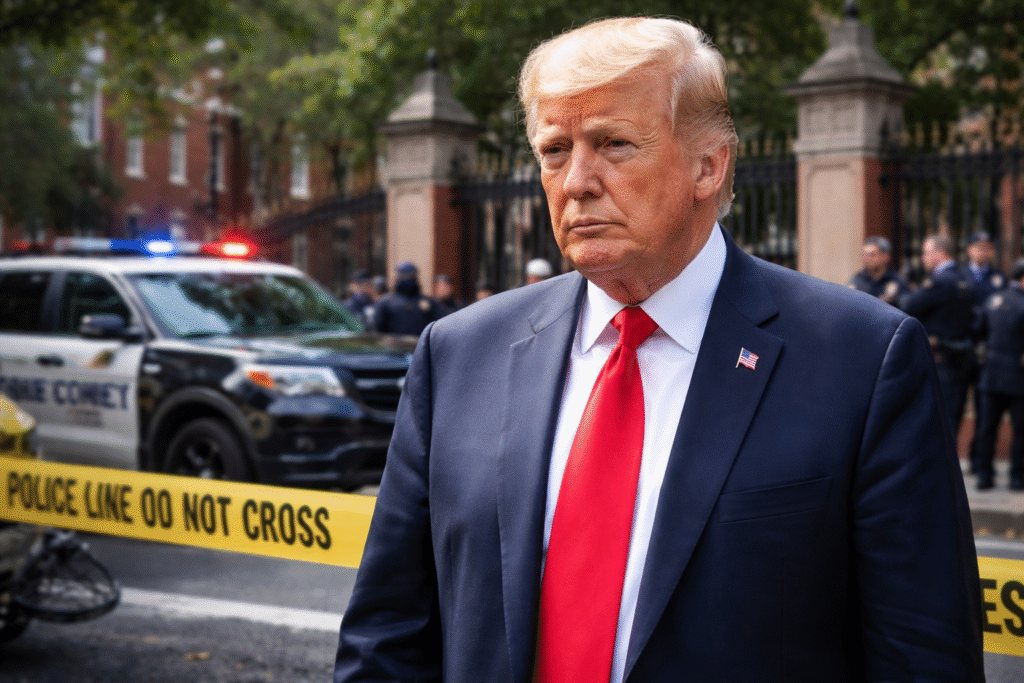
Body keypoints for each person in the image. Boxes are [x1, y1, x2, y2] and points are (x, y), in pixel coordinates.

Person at [335, 17, 983, 683]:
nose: (576, 180)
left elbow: (923, 657)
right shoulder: (458, 355)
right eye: (554, 150)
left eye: (613, 144)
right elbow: (387, 638)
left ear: (708, 165)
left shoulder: (862, 359)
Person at [898, 234, 977, 441]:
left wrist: (901, 291)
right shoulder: (964, 278)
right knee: (952, 413)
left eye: (926, 252)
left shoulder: (941, 281)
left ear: (940, 254)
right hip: (959, 355)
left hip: (939, 357)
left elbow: (908, 304)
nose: (923, 258)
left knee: (936, 417)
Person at [973, 257, 1024, 490]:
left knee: (986, 428)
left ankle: (984, 475)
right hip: (1018, 376)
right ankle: (1016, 476)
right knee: (1020, 430)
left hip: (991, 374)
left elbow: (978, 330)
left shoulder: (993, 299)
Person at [963, 231, 1006, 472]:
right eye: (978, 247)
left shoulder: (999, 278)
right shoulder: (960, 276)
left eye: (988, 247)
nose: (983, 251)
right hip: (961, 349)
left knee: (985, 410)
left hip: (987, 352)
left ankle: (978, 458)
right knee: (954, 407)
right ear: (969, 250)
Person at [371, 262, 441, 336]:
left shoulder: (429, 302)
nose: (407, 278)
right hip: (394, 343)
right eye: (404, 276)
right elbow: (378, 328)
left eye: (411, 276)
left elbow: (438, 326)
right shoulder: (386, 302)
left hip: (420, 342)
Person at [846, 236, 907, 305]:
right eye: (864, 255)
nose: (866, 259)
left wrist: (891, 298)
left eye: (872, 255)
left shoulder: (896, 281)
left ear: (885, 257)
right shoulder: (858, 279)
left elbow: (906, 305)